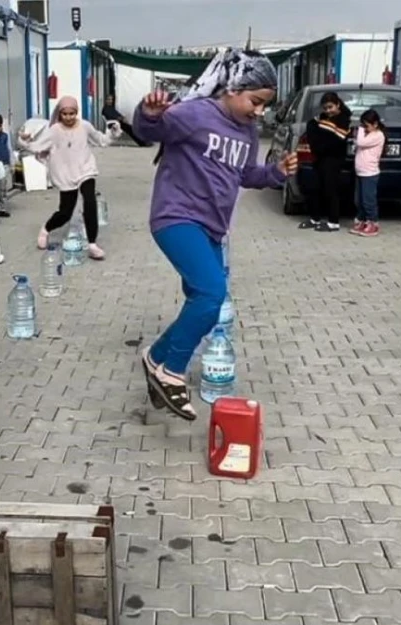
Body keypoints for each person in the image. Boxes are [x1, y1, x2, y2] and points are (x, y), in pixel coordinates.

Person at [131, 48, 296, 420]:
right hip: (175, 217)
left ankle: (155, 357)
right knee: (211, 294)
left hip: (212, 227)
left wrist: (276, 173)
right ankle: (171, 372)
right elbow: (148, 131)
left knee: (201, 303)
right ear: (234, 88)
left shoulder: (248, 131)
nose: (259, 112)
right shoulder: (195, 114)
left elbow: (245, 175)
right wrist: (150, 113)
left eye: (265, 106)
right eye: (255, 101)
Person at [18, 95, 121, 260]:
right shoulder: (54, 131)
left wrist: (114, 133)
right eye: (65, 114)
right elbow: (36, 146)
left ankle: (92, 243)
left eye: (72, 113)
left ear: (77, 112)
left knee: (90, 201)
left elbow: (101, 140)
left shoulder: (85, 126)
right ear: (60, 114)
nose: (68, 118)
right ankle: (45, 229)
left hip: (86, 169)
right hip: (65, 174)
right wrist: (24, 141)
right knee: (65, 212)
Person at [301, 91, 352, 232]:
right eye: (325, 108)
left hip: (334, 160)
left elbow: (336, 141)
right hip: (319, 159)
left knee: (331, 189)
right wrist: (319, 141)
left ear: (338, 104)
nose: (328, 111)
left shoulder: (344, 120)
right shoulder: (321, 118)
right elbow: (312, 127)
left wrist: (320, 141)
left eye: (330, 107)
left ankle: (333, 222)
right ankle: (314, 218)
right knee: (314, 187)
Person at [352, 109, 385, 237]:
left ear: (375, 124)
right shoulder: (366, 134)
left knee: (368, 199)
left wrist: (359, 129)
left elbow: (360, 142)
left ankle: (373, 222)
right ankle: (362, 220)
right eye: (363, 125)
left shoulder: (378, 135)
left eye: (366, 125)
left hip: (370, 174)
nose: (364, 128)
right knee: (358, 200)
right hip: (360, 172)